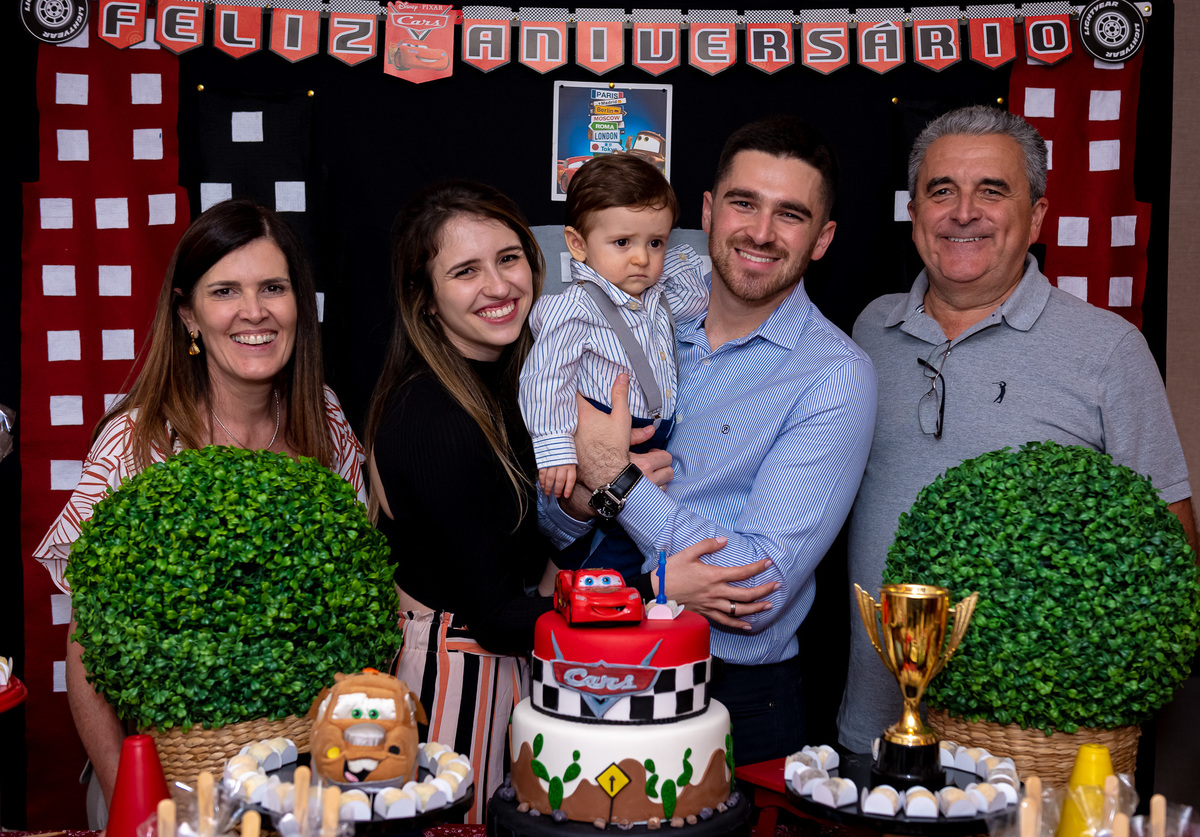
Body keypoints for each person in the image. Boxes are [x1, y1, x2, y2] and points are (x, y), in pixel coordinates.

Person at [836, 105, 1197, 754]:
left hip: (1037, 756)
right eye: (941, 190)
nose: (963, 212)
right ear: (914, 213)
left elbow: (1168, 557)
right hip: (874, 736)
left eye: (992, 191)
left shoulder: (1109, 350)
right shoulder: (868, 334)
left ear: (1036, 217)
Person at [543, 115, 879, 765]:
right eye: (744, 203)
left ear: (822, 238)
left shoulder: (834, 375)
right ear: (708, 210)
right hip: (587, 669)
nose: (760, 231)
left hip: (732, 697)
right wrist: (579, 499)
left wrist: (617, 483)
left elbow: (757, 594)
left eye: (791, 214)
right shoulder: (640, 319)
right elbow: (553, 523)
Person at [33, 199, 366, 821]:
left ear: (300, 303)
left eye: (274, 287)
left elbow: (354, 615)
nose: (254, 312)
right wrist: (136, 806)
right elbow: (88, 654)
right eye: (225, 292)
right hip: (164, 781)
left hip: (301, 787)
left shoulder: (325, 422)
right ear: (188, 314)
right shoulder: (137, 444)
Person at [518, 154, 708, 579]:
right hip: (602, 435)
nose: (642, 257)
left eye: (655, 243)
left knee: (631, 537)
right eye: (623, 243)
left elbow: (697, 303)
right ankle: (580, 594)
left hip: (654, 432)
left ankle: (576, 581)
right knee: (611, 552)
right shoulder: (574, 308)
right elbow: (545, 377)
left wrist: (679, 265)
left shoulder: (655, 297)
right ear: (578, 244)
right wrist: (554, 448)